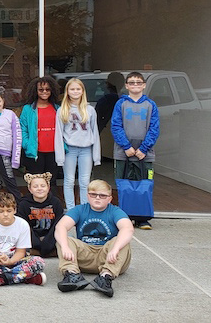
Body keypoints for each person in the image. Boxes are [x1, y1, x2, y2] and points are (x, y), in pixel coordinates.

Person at [55, 179, 134, 297]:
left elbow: (128, 228)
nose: (97, 198)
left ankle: (105, 277)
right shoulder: (79, 210)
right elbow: (61, 226)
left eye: (102, 196)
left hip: (109, 256)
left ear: (110, 198)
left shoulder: (115, 211)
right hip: (85, 254)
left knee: (122, 242)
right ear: (88, 196)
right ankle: (72, 274)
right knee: (64, 239)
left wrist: (115, 248)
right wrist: (65, 247)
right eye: (93, 194)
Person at [111, 71, 160, 230]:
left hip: (145, 154)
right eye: (131, 83)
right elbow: (116, 126)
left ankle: (143, 218)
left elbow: (154, 128)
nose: (135, 85)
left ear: (144, 85)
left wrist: (143, 149)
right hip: (123, 153)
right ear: (126, 86)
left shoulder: (150, 105)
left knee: (144, 185)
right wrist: (127, 147)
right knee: (124, 185)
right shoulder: (121, 104)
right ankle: (125, 217)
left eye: (138, 83)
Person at [0, 192, 47, 288]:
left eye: (9, 211)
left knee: (38, 262)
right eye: (1, 211)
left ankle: (0, 279)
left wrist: (10, 262)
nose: (5, 214)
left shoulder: (22, 224)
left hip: (16, 260)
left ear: (14, 210)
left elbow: (21, 252)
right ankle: (26, 277)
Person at [55, 78, 101, 210]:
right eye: (72, 89)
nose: (75, 92)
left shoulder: (90, 110)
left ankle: (85, 209)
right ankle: (71, 210)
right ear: (67, 91)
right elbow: (58, 135)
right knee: (69, 181)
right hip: (70, 149)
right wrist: (59, 157)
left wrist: (96, 156)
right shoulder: (62, 110)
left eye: (78, 89)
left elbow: (95, 133)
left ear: (82, 91)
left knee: (85, 182)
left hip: (86, 149)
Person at [20, 76, 60, 177]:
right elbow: (22, 129)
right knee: (36, 180)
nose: (44, 92)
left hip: (54, 150)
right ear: (35, 91)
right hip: (35, 151)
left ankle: (52, 194)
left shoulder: (57, 108)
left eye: (47, 89)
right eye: (41, 90)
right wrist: (26, 144)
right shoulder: (28, 109)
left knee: (52, 180)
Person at [18, 172, 63, 257]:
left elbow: (58, 225)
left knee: (66, 241)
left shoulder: (56, 202)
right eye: (35, 186)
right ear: (30, 189)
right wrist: (37, 242)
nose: (39, 189)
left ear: (48, 188)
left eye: (43, 186)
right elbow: (24, 226)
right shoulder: (23, 204)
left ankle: (41, 252)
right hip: (32, 239)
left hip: (51, 238)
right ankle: (42, 252)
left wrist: (48, 242)